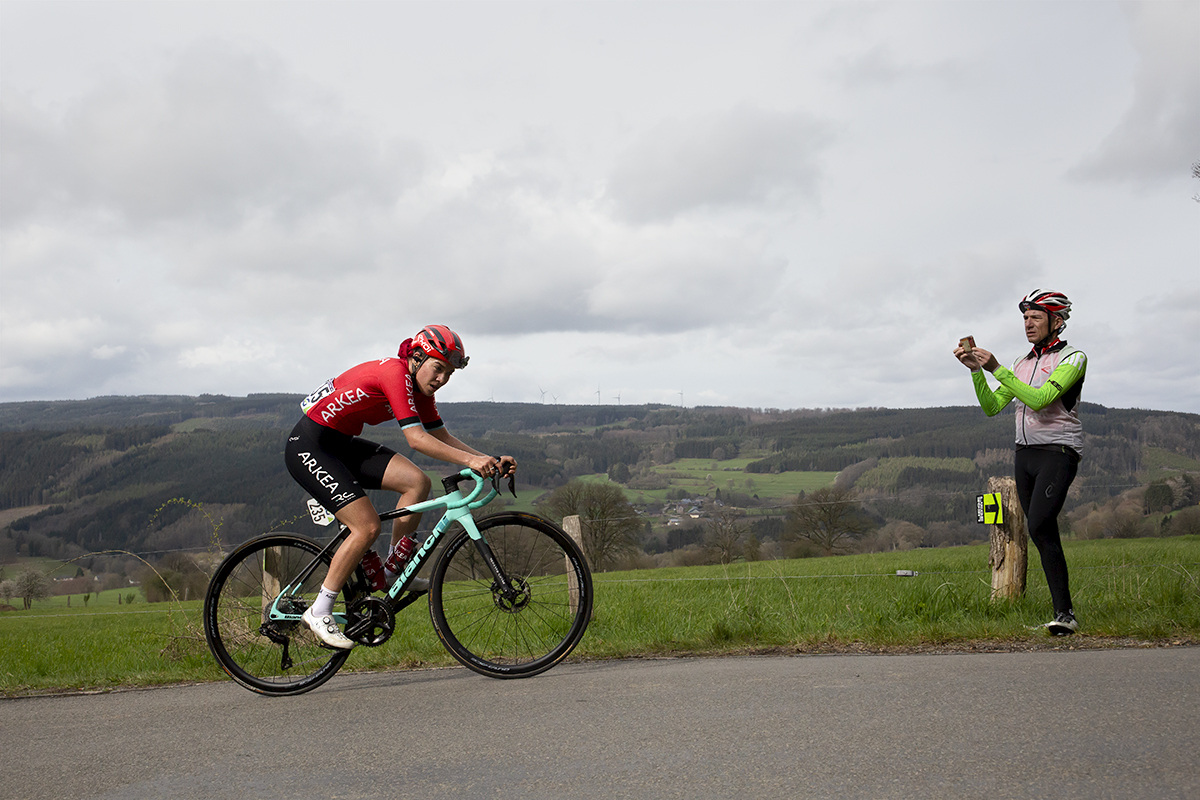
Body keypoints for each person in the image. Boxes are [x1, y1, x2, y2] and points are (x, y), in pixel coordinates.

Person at [285, 325, 517, 649]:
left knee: (417, 483)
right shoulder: (395, 373)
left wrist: (486, 459)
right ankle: (320, 609)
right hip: (310, 446)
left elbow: (441, 435)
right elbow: (416, 439)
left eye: (449, 373)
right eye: (438, 368)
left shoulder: (420, 390)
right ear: (418, 357)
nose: (442, 379)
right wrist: (471, 461)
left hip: (339, 444)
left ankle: (394, 573)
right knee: (366, 527)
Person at [953, 290, 1087, 636]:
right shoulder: (1021, 363)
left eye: (1035, 318)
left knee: (1040, 523)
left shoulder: (1073, 358)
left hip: (1058, 451)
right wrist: (976, 372)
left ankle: (1066, 613)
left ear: (1056, 321)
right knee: (1042, 531)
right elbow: (992, 407)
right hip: (1024, 454)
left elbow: (1041, 400)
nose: (1028, 324)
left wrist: (996, 367)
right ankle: (1064, 614)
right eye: (1025, 318)